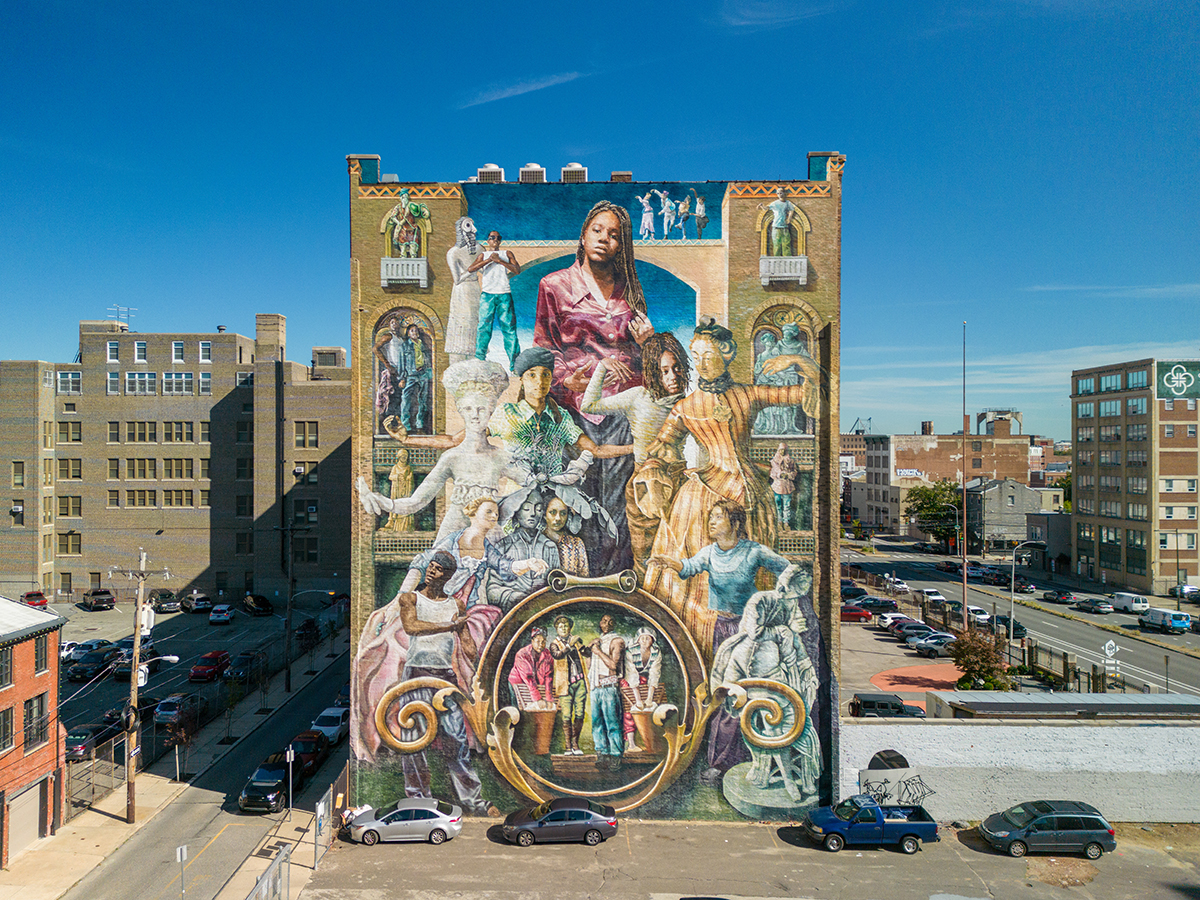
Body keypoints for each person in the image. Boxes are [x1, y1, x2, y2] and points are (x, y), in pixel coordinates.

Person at [638, 318, 818, 659]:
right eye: (697, 356)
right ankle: (698, 652)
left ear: (727, 353)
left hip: (752, 498)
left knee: (756, 575)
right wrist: (654, 470)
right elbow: (662, 447)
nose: (702, 363)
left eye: (708, 355)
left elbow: (806, 394)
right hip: (702, 497)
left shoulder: (749, 394)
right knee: (694, 581)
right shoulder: (685, 407)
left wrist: (798, 360)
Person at [533, 202, 656, 573]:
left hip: (622, 412)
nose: (605, 239)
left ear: (622, 244)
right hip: (575, 411)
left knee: (621, 502)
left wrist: (648, 343)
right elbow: (544, 348)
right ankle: (577, 579)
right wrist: (565, 378)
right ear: (583, 236)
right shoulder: (554, 285)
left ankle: (617, 581)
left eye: (614, 235)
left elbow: (643, 356)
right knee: (576, 498)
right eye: (598, 230)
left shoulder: (630, 290)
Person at [368, 552, 498, 815]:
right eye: (431, 566)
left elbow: (468, 645)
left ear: (447, 576)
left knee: (456, 739)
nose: (431, 571)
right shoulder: (411, 598)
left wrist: (477, 651)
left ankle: (473, 800)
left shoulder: (456, 606)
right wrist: (449, 626)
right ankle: (418, 798)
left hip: (444, 677)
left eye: (438, 569)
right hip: (416, 676)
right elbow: (411, 626)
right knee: (413, 739)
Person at [357, 358, 523, 542]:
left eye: (481, 409)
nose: (475, 415)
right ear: (461, 411)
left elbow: (533, 484)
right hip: (453, 532)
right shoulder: (451, 457)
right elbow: (417, 501)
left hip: (490, 534)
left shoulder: (501, 457)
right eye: (469, 409)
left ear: (491, 412)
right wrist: (380, 501)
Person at [488, 347, 632, 549]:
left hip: (553, 505)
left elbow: (596, 450)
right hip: (519, 503)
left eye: (545, 375)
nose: (539, 382)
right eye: (532, 375)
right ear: (521, 379)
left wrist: (635, 448)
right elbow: (471, 438)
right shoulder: (507, 413)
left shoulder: (561, 417)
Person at [581, 332, 690, 578]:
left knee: (678, 554)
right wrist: (602, 367)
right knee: (644, 557)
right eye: (664, 371)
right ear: (653, 372)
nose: (672, 377)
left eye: (676, 368)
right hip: (643, 487)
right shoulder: (638, 397)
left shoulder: (688, 403)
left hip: (678, 485)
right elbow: (589, 405)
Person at [651, 500, 797, 657]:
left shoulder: (754, 551)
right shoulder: (708, 553)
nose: (712, 522)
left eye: (719, 517)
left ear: (736, 524)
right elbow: (689, 566)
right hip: (720, 626)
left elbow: (788, 570)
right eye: (711, 517)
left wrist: (781, 598)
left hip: (749, 625)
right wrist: (669, 563)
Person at [486, 491, 561, 612]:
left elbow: (558, 585)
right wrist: (516, 598)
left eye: (538, 509)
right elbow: (492, 591)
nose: (532, 513)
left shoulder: (550, 547)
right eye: (526, 508)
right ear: (516, 512)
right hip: (514, 612)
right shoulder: (503, 546)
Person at [469, 231, 522, 371]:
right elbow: (471, 269)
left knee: (509, 329)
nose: (495, 240)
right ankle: (479, 359)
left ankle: (515, 365)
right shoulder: (483, 255)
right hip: (487, 295)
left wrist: (500, 261)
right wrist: (489, 260)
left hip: (504, 294)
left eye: (498, 238)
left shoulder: (507, 253)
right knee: (483, 327)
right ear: (488, 240)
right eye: (492, 238)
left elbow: (517, 270)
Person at [587, 615, 634, 771]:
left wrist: (598, 651)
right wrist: (590, 650)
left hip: (609, 687)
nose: (606, 624)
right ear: (600, 623)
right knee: (597, 723)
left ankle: (615, 756)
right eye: (604, 621)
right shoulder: (598, 641)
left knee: (612, 723)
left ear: (614, 624)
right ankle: (602, 754)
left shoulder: (617, 641)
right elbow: (589, 666)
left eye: (610, 621)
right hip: (596, 687)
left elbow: (613, 665)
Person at [549, 615, 589, 755]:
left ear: (570, 627)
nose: (564, 628)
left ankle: (575, 744)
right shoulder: (554, 644)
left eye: (566, 626)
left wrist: (583, 646)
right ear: (556, 629)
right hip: (564, 684)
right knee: (566, 715)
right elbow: (557, 655)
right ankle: (567, 746)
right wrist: (569, 645)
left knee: (579, 713)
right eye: (560, 627)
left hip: (580, 682)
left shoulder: (575, 640)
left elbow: (587, 654)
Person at [445, 217, 481, 364]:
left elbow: (484, 269)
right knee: (462, 321)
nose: (474, 230)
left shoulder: (480, 249)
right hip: (462, 291)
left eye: (472, 225)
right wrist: (472, 269)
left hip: (475, 289)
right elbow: (457, 279)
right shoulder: (453, 253)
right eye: (468, 225)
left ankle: (474, 356)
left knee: (475, 320)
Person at [507, 627, 554, 710]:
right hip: (519, 682)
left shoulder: (547, 655)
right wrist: (538, 699)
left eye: (543, 642)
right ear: (532, 641)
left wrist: (549, 699)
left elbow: (548, 676)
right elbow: (528, 677)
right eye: (538, 641)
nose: (541, 644)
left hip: (536, 684)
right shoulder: (522, 654)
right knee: (520, 708)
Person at [544, 496, 589, 577]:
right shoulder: (537, 542)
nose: (558, 518)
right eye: (553, 512)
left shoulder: (576, 544)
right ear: (544, 514)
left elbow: (584, 579)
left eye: (563, 513)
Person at [758, 186, 799, 257]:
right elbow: (766, 208)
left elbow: (791, 210)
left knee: (786, 244)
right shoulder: (775, 203)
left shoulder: (788, 203)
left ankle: (787, 259)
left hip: (784, 227)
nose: (779, 194)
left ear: (784, 193)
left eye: (781, 193)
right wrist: (761, 206)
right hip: (776, 227)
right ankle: (777, 258)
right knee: (777, 244)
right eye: (778, 193)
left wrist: (789, 218)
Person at [381, 448, 414, 532]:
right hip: (396, 489)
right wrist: (398, 476)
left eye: (405, 457)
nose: (404, 458)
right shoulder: (395, 467)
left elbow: (410, 477)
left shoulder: (408, 467)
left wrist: (409, 478)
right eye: (402, 457)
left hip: (405, 489)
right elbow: (391, 477)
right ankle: (392, 522)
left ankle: (405, 525)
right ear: (399, 457)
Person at [770, 444, 798, 530]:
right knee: (777, 505)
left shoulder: (790, 461)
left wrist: (788, 475)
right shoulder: (774, 461)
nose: (782, 451)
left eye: (784, 450)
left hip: (787, 486)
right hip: (777, 486)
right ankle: (779, 522)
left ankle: (786, 523)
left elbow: (794, 471)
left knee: (787, 505)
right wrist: (779, 474)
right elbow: (772, 474)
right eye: (780, 450)